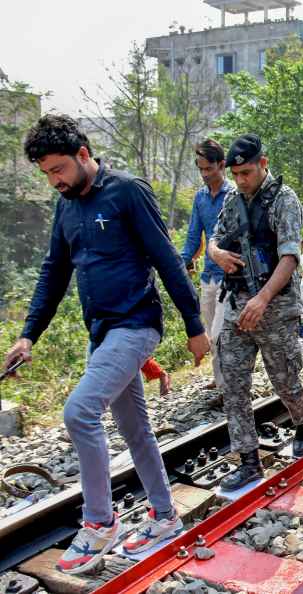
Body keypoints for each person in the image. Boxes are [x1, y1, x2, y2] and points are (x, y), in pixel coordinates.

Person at [3, 115, 210, 573]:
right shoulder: (66, 207)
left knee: (79, 411)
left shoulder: (126, 191)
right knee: (135, 427)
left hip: (135, 325)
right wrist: (28, 334)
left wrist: (194, 324)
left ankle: (99, 523)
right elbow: (54, 273)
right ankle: (164, 516)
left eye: (58, 169)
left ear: (82, 155)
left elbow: (166, 259)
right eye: (46, 174)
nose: (54, 181)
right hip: (101, 333)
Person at [207, 134, 303, 490]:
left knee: (284, 380)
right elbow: (215, 240)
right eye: (235, 173)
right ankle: (249, 461)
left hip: (276, 306)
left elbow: (290, 257)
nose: (241, 180)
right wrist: (216, 254)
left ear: (263, 163)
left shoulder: (284, 200)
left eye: (247, 172)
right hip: (239, 306)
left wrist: (264, 298)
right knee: (233, 383)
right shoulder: (234, 200)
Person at [180, 138, 233, 391]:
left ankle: (227, 388)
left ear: (221, 165)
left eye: (208, 169)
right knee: (211, 331)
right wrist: (182, 261)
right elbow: (193, 235)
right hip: (208, 275)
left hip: (230, 275)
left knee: (222, 332)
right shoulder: (200, 198)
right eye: (200, 169)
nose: (204, 174)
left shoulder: (234, 194)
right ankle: (220, 378)